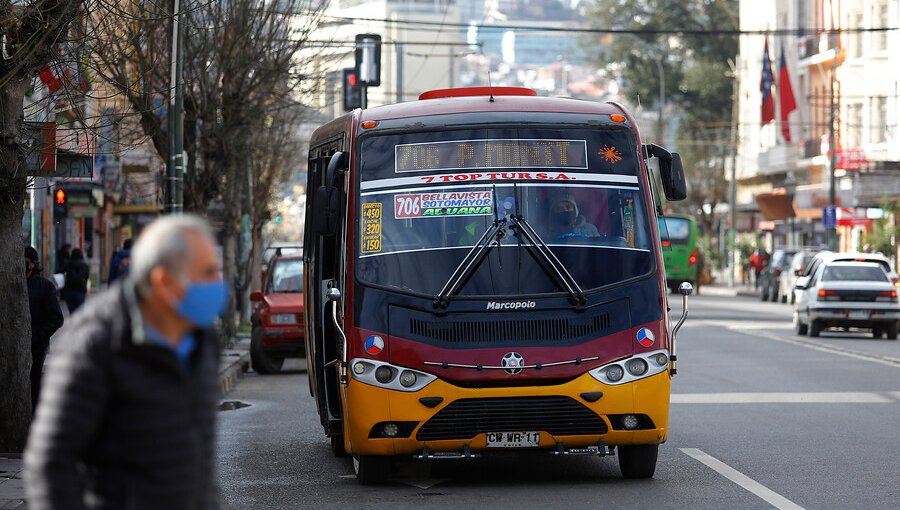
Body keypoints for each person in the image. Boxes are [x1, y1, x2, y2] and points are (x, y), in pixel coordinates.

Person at [25, 215, 226, 510]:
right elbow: (51, 464)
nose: (217, 284)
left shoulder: (203, 337)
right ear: (163, 280)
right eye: (206, 273)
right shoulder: (94, 341)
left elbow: (200, 465)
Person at [25, 246, 65, 413]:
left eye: (26, 262)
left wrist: (38, 337)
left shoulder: (44, 287)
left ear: (33, 264)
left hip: (36, 347)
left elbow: (57, 318)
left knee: (33, 384)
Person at [62, 248, 90, 314]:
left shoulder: (68, 264)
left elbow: (58, 272)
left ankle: (73, 323)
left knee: (72, 313)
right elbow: (86, 277)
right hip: (80, 291)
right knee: (80, 313)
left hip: (69, 291)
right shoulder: (84, 265)